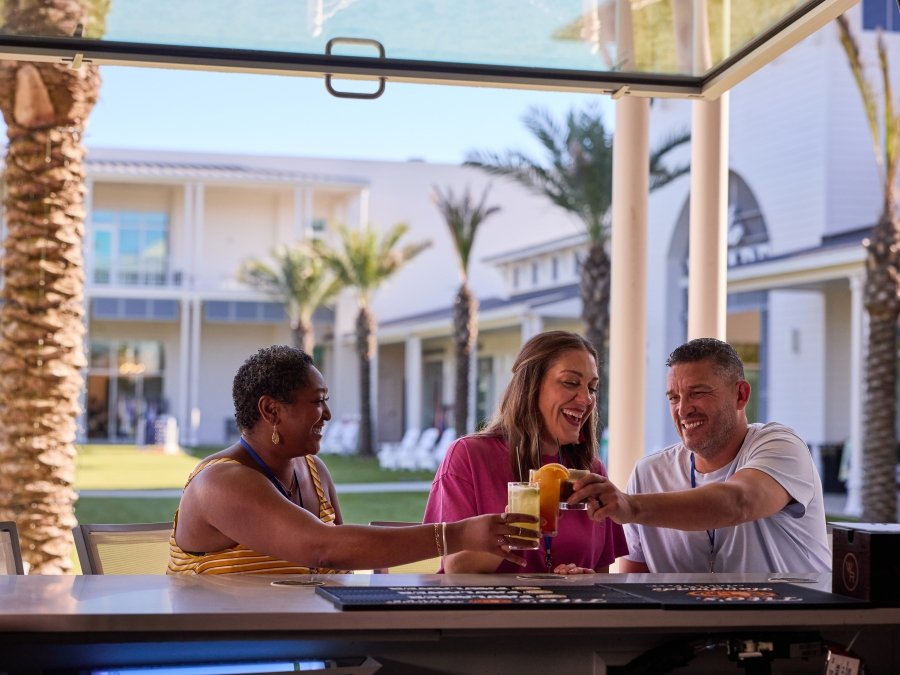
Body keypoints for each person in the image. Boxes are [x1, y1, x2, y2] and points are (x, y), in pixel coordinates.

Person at [168, 345, 535, 575]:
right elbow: (326, 549)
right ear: (271, 410)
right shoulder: (220, 483)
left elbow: (341, 566)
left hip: (310, 643)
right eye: (317, 401)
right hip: (224, 651)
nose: (327, 414)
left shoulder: (314, 471)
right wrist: (457, 534)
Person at [576, 337, 831, 574]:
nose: (683, 409)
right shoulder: (648, 473)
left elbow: (739, 502)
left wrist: (632, 506)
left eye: (698, 393)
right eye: (674, 397)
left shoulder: (781, 446)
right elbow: (635, 588)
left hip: (790, 620)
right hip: (689, 623)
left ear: (740, 395)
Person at [423, 330, 628, 574]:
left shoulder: (591, 471)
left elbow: (602, 574)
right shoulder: (468, 455)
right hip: (487, 611)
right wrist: (514, 531)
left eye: (592, 388)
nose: (586, 399)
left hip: (567, 611)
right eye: (571, 382)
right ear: (531, 386)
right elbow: (456, 567)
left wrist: (585, 580)